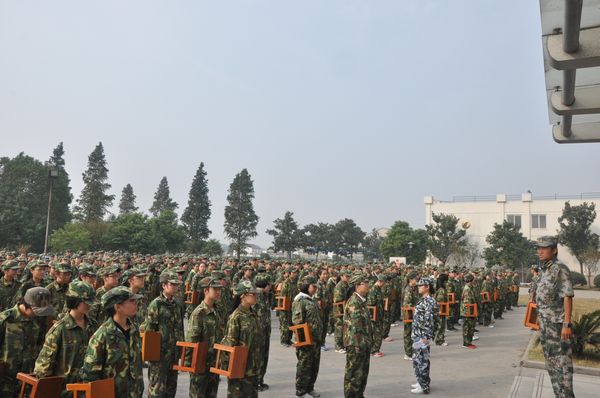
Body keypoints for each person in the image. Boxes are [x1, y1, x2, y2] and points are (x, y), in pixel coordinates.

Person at [34, 281, 98, 397]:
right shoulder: (59, 330)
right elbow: (43, 368)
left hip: (88, 389)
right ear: (75, 301)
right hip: (65, 391)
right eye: (86, 302)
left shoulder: (93, 325)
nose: (90, 305)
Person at [79, 286, 144, 398]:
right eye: (131, 301)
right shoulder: (102, 335)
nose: (136, 303)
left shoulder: (133, 330)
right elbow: (90, 376)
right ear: (117, 307)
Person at [533, 236, 575, 398]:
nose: (540, 251)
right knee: (551, 363)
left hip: (557, 326)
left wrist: (567, 324)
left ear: (554, 250)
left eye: (544, 248)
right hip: (546, 327)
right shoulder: (545, 269)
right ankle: (559, 395)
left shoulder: (560, 269)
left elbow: (567, 296)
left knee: (562, 364)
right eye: (538, 248)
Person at [0, 287, 54, 398]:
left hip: (26, 379)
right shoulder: (5, 320)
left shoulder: (37, 320)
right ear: (25, 305)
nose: (39, 314)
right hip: (5, 380)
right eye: (36, 311)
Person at [142, 270, 185, 398]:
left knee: (171, 389)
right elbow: (149, 331)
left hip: (173, 353)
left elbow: (180, 328)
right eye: (173, 284)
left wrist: (181, 350)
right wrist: (151, 354)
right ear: (164, 285)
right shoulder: (156, 304)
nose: (176, 287)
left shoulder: (177, 305)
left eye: (177, 284)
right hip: (159, 355)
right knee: (157, 389)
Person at [221, 280, 263, 398]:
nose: (256, 296)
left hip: (252, 368)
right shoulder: (236, 317)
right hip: (240, 369)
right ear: (243, 296)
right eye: (253, 294)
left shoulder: (252, 314)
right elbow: (230, 346)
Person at [186, 276, 224, 398]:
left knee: (212, 394)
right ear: (206, 291)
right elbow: (192, 341)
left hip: (214, 362)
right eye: (215, 289)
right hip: (201, 363)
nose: (218, 292)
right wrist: (190, 364)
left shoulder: (217, 310)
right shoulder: (199, 313)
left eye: (219, 289)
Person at [342, 273, 373, 398]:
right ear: (357, 285)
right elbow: (356, 327)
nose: (367, 285)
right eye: (365, 283)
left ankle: (359, 394)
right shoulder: (354, 302)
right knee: (353, 372)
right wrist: (359, 345)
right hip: (356, 344)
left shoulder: (361, 301)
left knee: (362, 372)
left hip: (363, 343)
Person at [292, 276, 322, 398]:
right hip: (306, 340)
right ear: (306, 286)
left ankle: (310, 387)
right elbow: (298, 323)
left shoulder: (311, 300)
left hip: (315, 340)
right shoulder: (300, 301)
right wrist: (303, 342)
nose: (315, 289)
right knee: (304, 366)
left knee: (314, 366)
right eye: (313, 287)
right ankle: (301, 390)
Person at [410, 277, 439, 394]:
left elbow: (430, 320)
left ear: (427, 287)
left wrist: (426, 336)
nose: (418, 287)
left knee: (422, 360)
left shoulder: (429, 301)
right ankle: (420, 381)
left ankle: (424, 386)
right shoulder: (423, 299)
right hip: (418, 334)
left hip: (422, 336)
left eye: (421, 285)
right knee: (418, 359)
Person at [402, 272, 419, 360]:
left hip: (413, 314)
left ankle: (412, 352)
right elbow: (407, 304)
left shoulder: (414, 288)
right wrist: (416, 308)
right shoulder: (408, 289)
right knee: (408, 334)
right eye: (416, 279)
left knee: (413, 334)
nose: (417, 281)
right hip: (408, 315)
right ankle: (408, 354)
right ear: (411, 280)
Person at [333, 271, 350, 353]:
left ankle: (343, 345)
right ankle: (338, 346)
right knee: (339, 328)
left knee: (344, 328)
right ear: (342, 276)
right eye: (346, 276)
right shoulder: (339, 286)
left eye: (349, 276)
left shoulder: (346, 285)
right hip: (339, 310)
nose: (348, 278)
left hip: (345, 309)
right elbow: (338, 299)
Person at [460, 274, 478, 349]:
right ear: (471, 280)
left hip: (470, 311)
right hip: (468, 312)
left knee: (470, 327)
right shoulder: (467, 289)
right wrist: (471, 313)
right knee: (467, 328)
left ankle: (469, 342)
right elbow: (468, 303)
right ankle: (466, 343)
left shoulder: (470, 287)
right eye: (473, 279)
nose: (474, 280)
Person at [434, 273, 448, 346]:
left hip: (440, 310)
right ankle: (439, 340)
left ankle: (440, 339)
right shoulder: (441, 290)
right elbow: (440, 301)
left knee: (441, 326)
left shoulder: (439, 288)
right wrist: (440, 310)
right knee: (441, 326)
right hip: (441, 310)